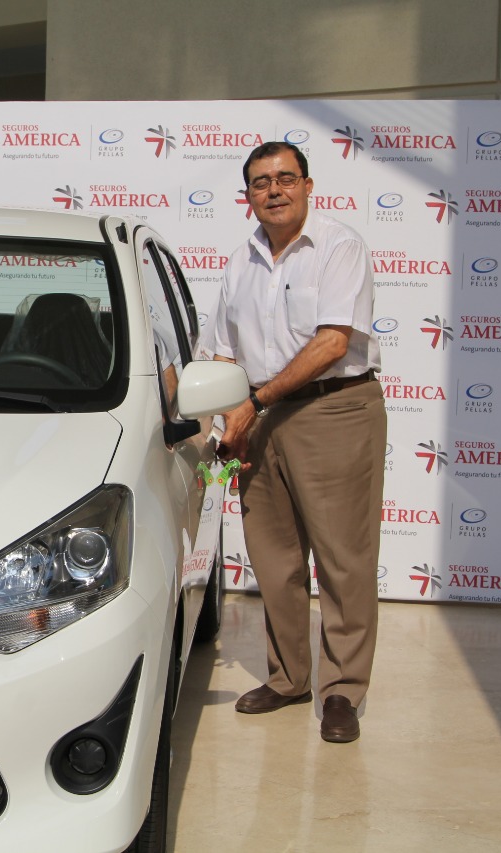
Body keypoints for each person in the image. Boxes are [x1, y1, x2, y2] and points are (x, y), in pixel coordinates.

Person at [209, 140, 386, 743]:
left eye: (286, 178)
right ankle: (288, 678)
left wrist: (256, 402)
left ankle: (342, 691)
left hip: (333, 409)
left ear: (309, 185)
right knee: (275, 560)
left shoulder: (338, 245)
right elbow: (223, 349)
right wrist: (230, 415)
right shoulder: (240, 262)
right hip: (259, 416)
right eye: (261, 182)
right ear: (249, 196)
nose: (274, 190)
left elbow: (333, 342)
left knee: (343, 560)